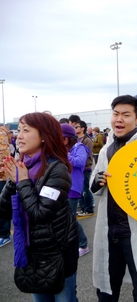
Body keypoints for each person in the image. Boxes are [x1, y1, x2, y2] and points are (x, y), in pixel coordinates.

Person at [0, 112, 79, 300]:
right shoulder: (23, 166)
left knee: (65, 298)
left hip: (57, 251)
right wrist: (13, 181)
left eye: (26, 130)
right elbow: (3, 211)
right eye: (18, 130)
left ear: (44, 136)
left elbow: (40, 213)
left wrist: (22, 182)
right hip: (32, 251)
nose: (18, 135)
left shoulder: (57, 169)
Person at [90, 95, 137, 301]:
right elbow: (94, 183)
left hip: (136, 230)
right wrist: (98, 181)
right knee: (107, 288)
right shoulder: (107, 146)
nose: (119, 119)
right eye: (115, 114)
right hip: (110, 229)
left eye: (126, 115)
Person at [61, 123, 90, 257]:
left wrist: (64, 154)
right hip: (62, 186)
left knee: (70, 218)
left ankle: (83, 244)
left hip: (73, 187)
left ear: (66, 138)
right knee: (66, 217)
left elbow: (80, 162)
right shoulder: (65, 148)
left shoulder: (80, 147)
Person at [75, 121, 95, 217]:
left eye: (77, 127)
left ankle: (89, 208)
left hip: (85, 168)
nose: (75, 128)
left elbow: (86, 155)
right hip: (78, 169)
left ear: (83, 128)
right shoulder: (76, 140)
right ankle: (83, 208)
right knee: (81, 190)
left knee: (85, 190)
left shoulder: (87, 140)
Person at [0, 126, 12, 247]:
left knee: (2, 205)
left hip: (1, 175)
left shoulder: (1, 133)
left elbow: (3, 156)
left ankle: (4, 234)